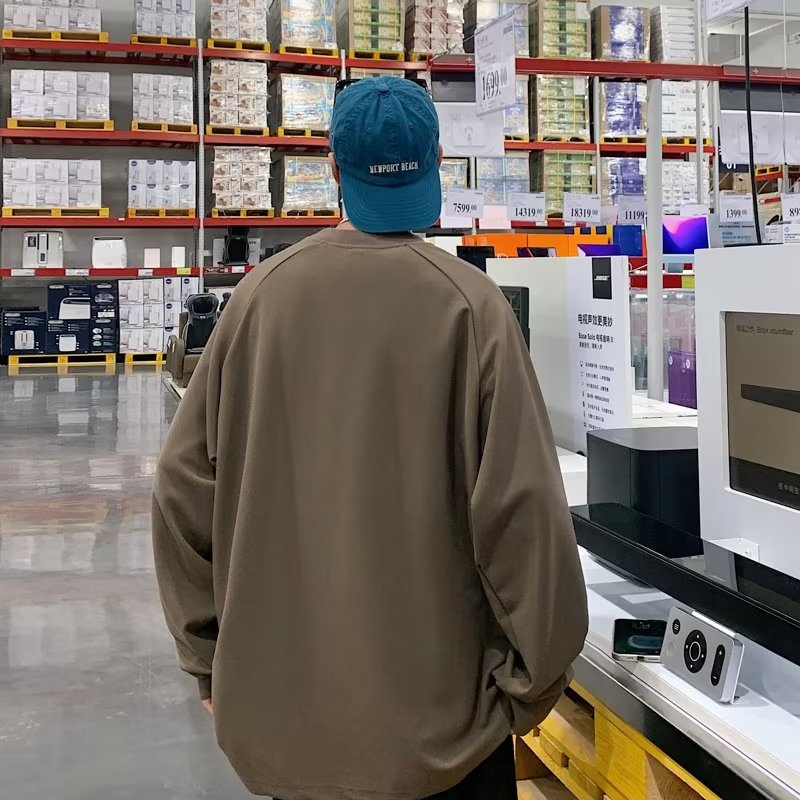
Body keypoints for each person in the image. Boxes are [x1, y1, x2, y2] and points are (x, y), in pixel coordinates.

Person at [153, 76, 588, 800]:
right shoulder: (472, 308)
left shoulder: (258, 299)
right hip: (443, 741)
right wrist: (530, 683)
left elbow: (180, 490)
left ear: (333, 169)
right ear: (438, 163)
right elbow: (525, 516)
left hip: (289, 736)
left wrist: (208, 657)